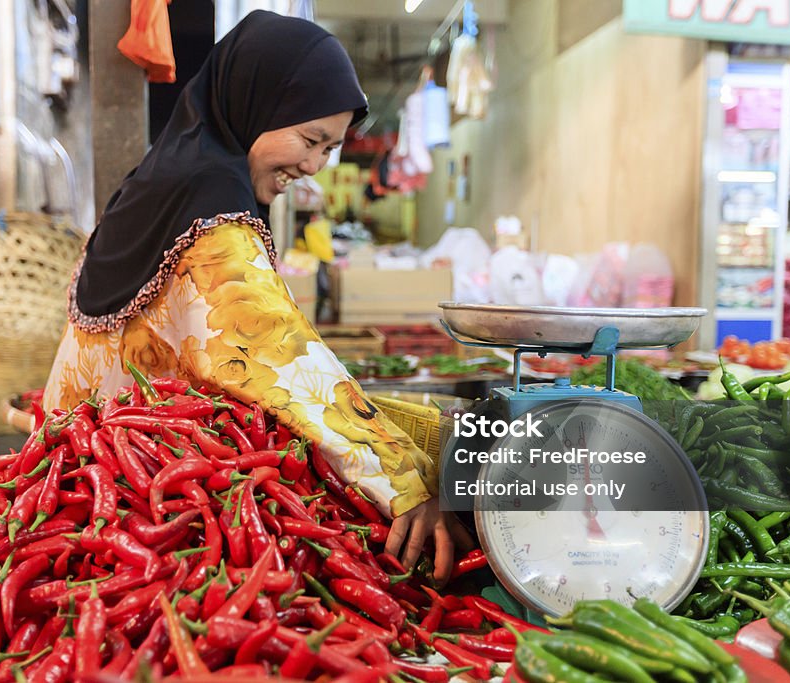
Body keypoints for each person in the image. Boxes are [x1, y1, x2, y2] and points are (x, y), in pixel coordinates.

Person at [44, 10, 472, 583]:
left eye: (330, 149)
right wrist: (402, 478)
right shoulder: (214, 205)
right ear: (256, 105)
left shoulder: (161, 180)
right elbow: (274, 354)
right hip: (134, 512)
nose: (314, 165)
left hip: (73, 483)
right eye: (310, 139)